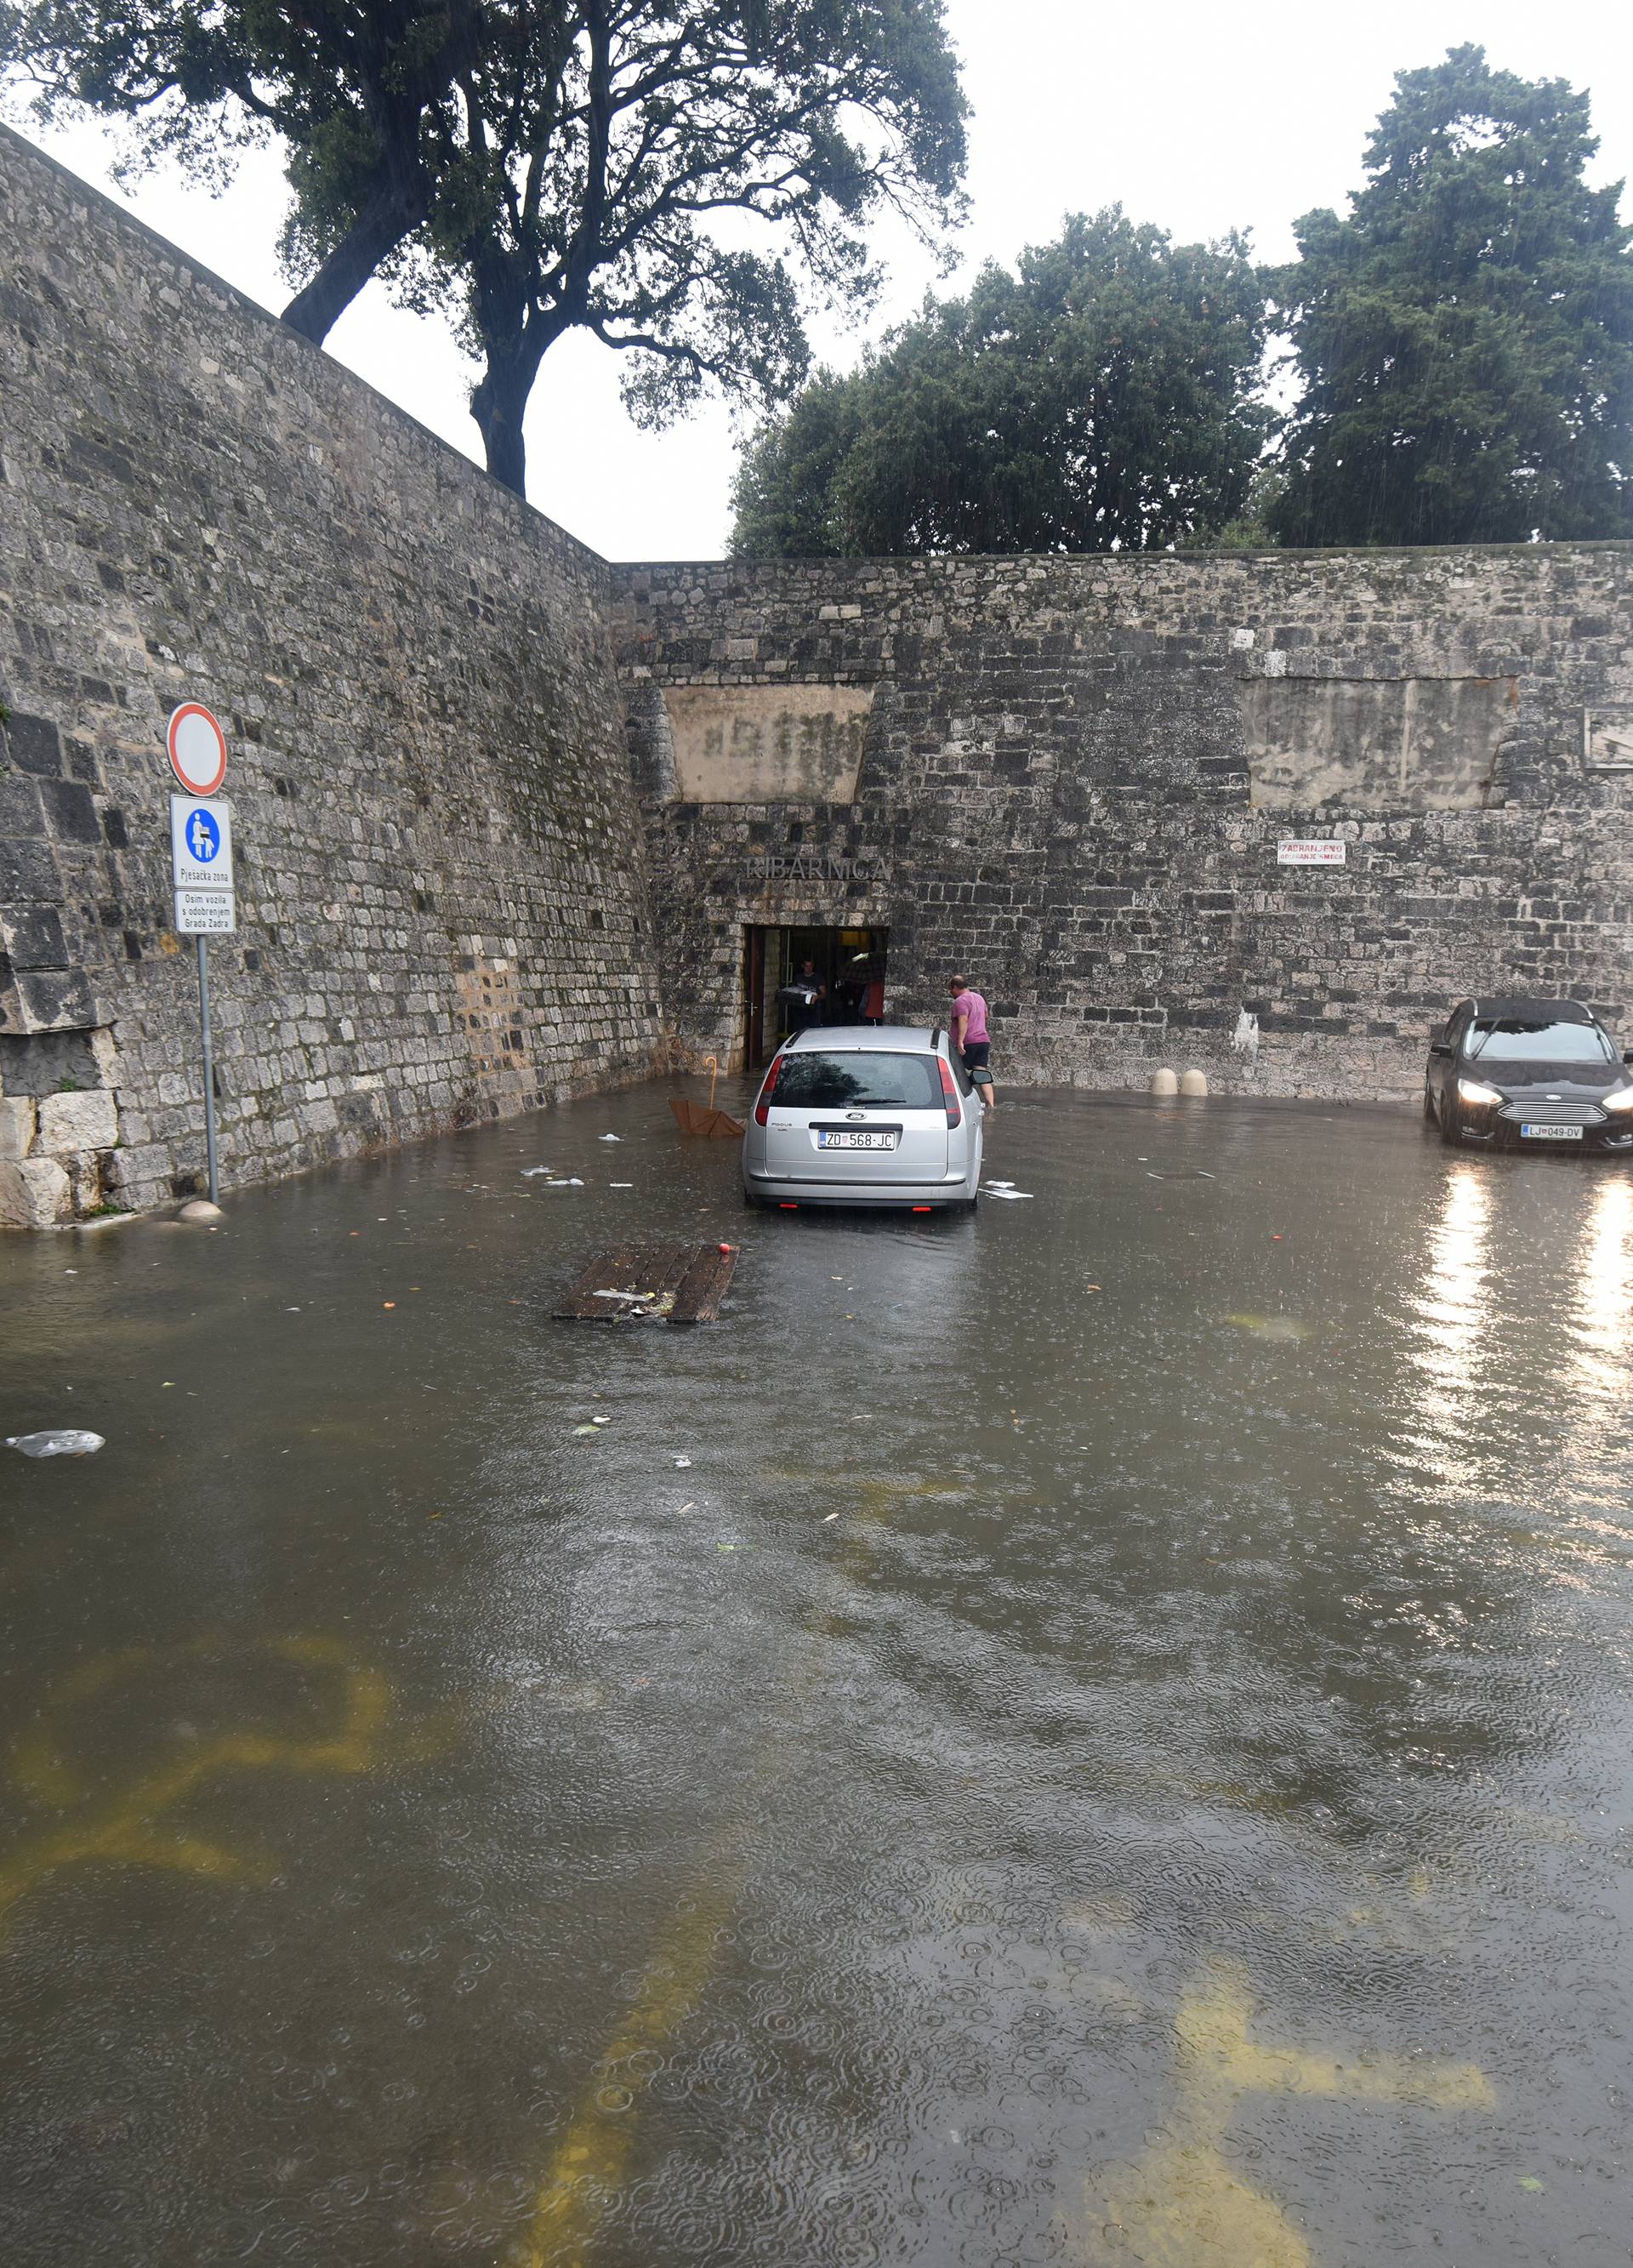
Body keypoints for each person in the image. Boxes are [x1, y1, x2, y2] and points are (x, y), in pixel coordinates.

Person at [948, 974, 995, 1111]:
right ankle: (991, 1106)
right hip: (983, 1040)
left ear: (956, 987)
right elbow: (986, 1016)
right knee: (981, 1073)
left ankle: (961, 1105)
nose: (951, 993)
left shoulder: (960, 1001)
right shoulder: (979, 998)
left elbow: (963, 1020)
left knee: (956, 1072)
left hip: (969, 1042)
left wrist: (960, 1041)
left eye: (951, 990)